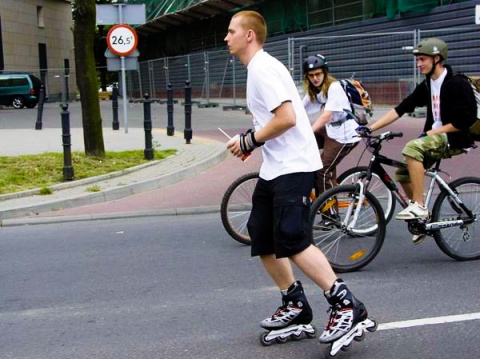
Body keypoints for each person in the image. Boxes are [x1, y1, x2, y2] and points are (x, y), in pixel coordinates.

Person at [224, 10, 372, 345]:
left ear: (249, 35)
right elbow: (277, 118)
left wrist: (251, 140)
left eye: (231, 31)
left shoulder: (262, 68)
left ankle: (346, 305)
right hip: (276, 166)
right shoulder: (258, 69)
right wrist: (253, 138)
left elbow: (288, 117)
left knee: (291, 237)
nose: (226, 37)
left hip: (295, 166)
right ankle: (295, 303)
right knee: (261, 233)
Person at [357, 37, 476, 244]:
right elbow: (401, 108)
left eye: (422, 59)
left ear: (437, 59)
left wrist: (434, 131)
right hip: (435, 137)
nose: (418, 64)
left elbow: (466, 119)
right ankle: (423, 219)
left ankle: (419, 206)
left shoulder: (457, 83)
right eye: (417, 60)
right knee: (403, 173)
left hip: (455, 138)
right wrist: (370, 127)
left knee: (412, 148)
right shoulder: (428, 84)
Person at [302, 54, 361, 227]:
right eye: (311, 75)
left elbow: (326, 116)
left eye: (318, 74)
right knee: (301, 147)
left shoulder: (334, 87)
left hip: (344, 135)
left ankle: (332, 215)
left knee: (324, 171)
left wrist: (308, 132)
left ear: (325, 73)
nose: (315, 78)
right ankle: (321, 189)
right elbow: (299, 108)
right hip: (330, 130)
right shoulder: (314, 90)